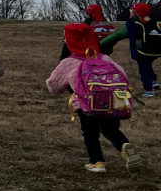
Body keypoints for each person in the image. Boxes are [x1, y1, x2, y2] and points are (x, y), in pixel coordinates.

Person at [47, 22, 142, 173]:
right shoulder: (104, 57)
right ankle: (124, 146)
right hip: (111, 102)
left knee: (90, 134)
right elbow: (122, 75)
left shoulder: (68, 62)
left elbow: (54, 87)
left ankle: (97, 162)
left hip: (85, 104)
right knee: (111, 131)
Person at [100, 3, 160, 98]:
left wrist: (100, 44)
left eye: (132, 11)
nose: (130, 12)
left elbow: (117, 36)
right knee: (148, 64)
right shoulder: (153, 22)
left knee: (143, 70)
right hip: (155, 51)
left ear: (136, 13)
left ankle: (149, 90)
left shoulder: (131, 25)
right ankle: (154, 81)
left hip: (141, 52)